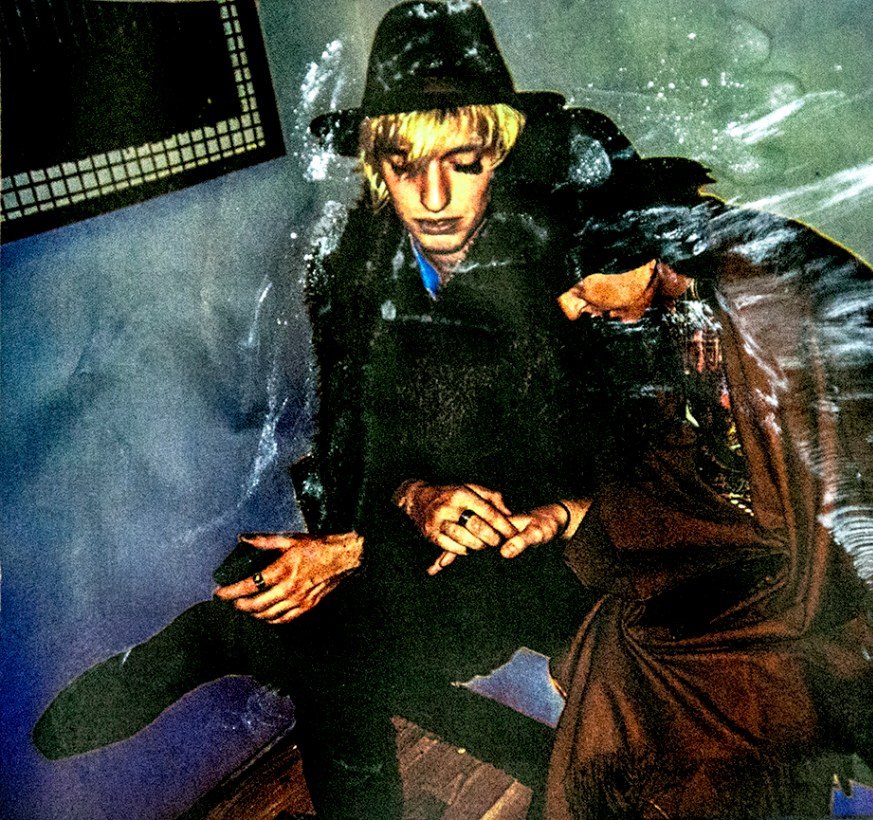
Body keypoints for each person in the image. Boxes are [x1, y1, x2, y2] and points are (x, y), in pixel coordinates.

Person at [33, 3, 633, 816]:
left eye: (462, 163)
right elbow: (359, 443)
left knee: (325, 636)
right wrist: (407, 499)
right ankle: (231, 637)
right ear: (376, 167)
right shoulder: (357, 267)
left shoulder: (567, 264)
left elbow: (601, 457)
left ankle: (214, 637)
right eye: (404, 165)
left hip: (544, 551)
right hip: (415, 543)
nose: (434, 197)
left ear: (498, 151)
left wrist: (360, 546)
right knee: (293, 600)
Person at [513, 157, 873, 818]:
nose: (573, 307)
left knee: (669, 660)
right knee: (628, 643)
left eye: (581, 286)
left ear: (639, 254)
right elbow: (682, 466)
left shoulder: (771, 296)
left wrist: (744, 605)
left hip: (854, 575)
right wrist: (576, 514)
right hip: (770, 552)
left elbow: (849, 499)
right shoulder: (672, 301)